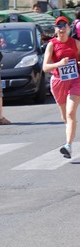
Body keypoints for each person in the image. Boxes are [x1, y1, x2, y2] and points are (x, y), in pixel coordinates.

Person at [42, 15, 80, 159]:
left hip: (75, 81)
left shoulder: (75, 43)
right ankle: (69, 133)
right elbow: (45, 67)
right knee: (65, 117)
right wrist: (59, 64)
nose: (62, 28)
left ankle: (68, 146)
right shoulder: (52, 44)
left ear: (69, 28)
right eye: (59, 26)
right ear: (55, 29)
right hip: (58, 82)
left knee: (71, 113)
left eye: (64, 26)